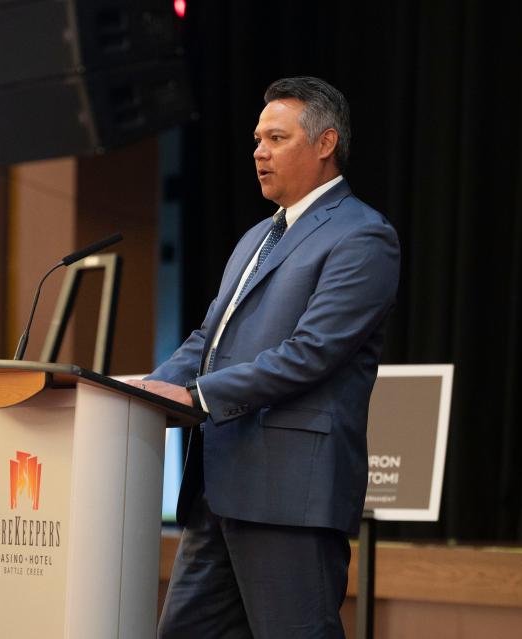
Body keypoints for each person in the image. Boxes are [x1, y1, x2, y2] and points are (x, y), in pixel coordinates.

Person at [134, 76, 400, 638]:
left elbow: (311, 353)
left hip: (288, 494)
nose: (258, 151)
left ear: (325, 143)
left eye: (276, 138)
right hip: (218, 487)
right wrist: (143, 393)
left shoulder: (362, 236)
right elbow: (207, 339)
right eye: (257, 139)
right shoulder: (257, 237)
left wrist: (199, 396)